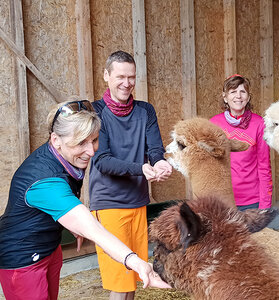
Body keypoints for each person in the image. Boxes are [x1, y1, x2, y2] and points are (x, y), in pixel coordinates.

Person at [0, 99, 170, 300]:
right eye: (81, 142)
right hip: (22, 258)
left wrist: (71, 225)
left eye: (94, 140)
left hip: (49, 247)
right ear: (55, 140)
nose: (91, 151)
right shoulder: (45, 180)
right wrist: (137, 262)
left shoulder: (61, 155)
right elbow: (93, 229)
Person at [89, 50, 172, 300]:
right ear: (106, 76)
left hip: (137, 202)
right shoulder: (95, 112)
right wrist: (141, 168)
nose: (127, 83)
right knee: (120, 283)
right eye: (121, 76)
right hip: (109, 204)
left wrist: (160, 163)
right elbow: (102, 161)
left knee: (136, 276)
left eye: (132, 77)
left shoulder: (145, 110)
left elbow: (155, 148)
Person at [210, 74, 273, 211]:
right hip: (223, 201)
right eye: (233, 92)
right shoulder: (214, 123)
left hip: (252, 202)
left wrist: (264, 206)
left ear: (248, 97)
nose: (238, 96)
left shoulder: (259, 124)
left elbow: (264, 166)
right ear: (225, 97)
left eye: (242, 91)